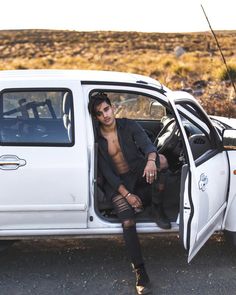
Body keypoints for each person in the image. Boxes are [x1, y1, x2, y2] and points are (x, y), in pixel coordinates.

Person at [88, 92, 170, 295]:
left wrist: (151, 160)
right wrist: (127, 195)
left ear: (112, 108)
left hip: (135, 172)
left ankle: (157, 209)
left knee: (161, 163)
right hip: (116, 184)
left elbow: (148, 146)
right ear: (96, 117)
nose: (105, 115)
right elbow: (107, 173)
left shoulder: (129, 125)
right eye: (99, 113)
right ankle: (140, 272)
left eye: (107, 109)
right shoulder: (97, 137)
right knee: (128, 221)